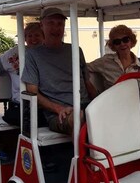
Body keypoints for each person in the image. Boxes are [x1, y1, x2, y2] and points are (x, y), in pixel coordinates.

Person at [22, 7, 94, 136]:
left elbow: (88, 84)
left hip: (85, 105)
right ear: (42, 25)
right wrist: (58, 108)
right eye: (51, 23)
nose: (56, 28)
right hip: (59, 112)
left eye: (60, 24)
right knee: (79, 119)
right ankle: (82, 156)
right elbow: (32, 92)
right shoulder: (33, 55)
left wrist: (102, 101)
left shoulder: (76, 50)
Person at [0, 22, 45, 126]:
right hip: (21, 106)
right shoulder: (17, 53)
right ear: (25, 38)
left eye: (37, 35)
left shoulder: (47, 53)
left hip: (44, 106)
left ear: (43, 37)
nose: (33, 39)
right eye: (29, 36)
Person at [87, 25, 140, 94]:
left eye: (125, 40)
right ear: (113, 46)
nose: (122, 44)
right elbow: (83, 68)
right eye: (117, 42)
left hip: (134, 102)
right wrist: (90, 88)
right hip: (112, 102)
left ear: (131, 41)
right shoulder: (106, 61)